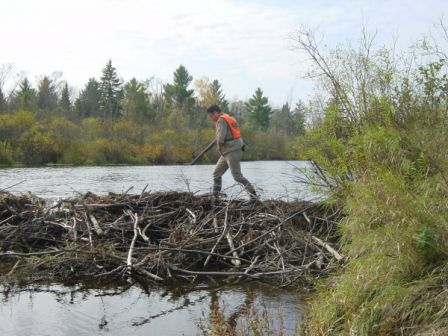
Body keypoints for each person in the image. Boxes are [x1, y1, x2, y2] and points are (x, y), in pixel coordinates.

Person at [206, 104, 258, 203]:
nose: (211, 117)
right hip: (228, 151)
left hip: (232, 150)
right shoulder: (228, 117)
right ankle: (215, 197)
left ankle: (254, 196)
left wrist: (219, 147)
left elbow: (221, 138)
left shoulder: (221, 120)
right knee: (216, 174)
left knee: (237, 176)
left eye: (211, 115)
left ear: (215, 113)